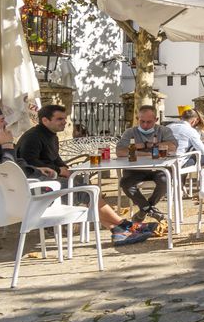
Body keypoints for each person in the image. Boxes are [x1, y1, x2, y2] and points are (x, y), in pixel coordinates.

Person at [10, 105, 155, 245]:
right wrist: (59, 170)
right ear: (45, 121)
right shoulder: (33, 137)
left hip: (49, 182)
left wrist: (64, 168)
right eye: (59, 119)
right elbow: (29, 163)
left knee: (88, 191)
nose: (65, 122)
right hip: (39, 188)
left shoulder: (51, 136)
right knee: (89, 192)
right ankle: (125, 225)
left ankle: (117, 230)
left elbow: (54, 159)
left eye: (64, 118)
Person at [115, 105, 177, 222]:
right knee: (125, 183)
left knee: (165, 181)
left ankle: (145, 209)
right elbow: (120, 152)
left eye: (149, 122)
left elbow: (172, 147)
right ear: (137, 118)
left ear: (156, 120)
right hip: (135, 169)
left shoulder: (164, 130)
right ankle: (151, 210)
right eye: (142, 121)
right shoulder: (130, 132)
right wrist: (147, 149)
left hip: (158, 169)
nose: (145, 125)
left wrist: (141, 148)